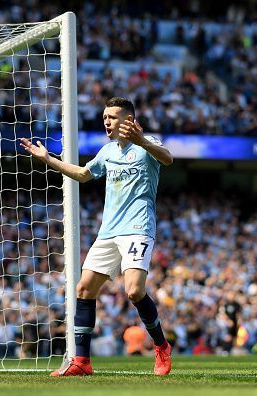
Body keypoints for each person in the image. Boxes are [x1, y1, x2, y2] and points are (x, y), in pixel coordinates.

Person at [20, 96, 173, 376]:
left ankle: (161, 346)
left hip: (138, 227)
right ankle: (81, 361)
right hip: (108, 232)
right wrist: (48, 159)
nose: (106, 121)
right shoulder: (107, 152)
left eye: (112, 117)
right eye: (105, 117)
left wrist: (144, 143)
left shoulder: (148, 144)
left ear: (128, 120)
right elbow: (81, 174)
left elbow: (168, 158)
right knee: (84, 289)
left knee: (134, 291)